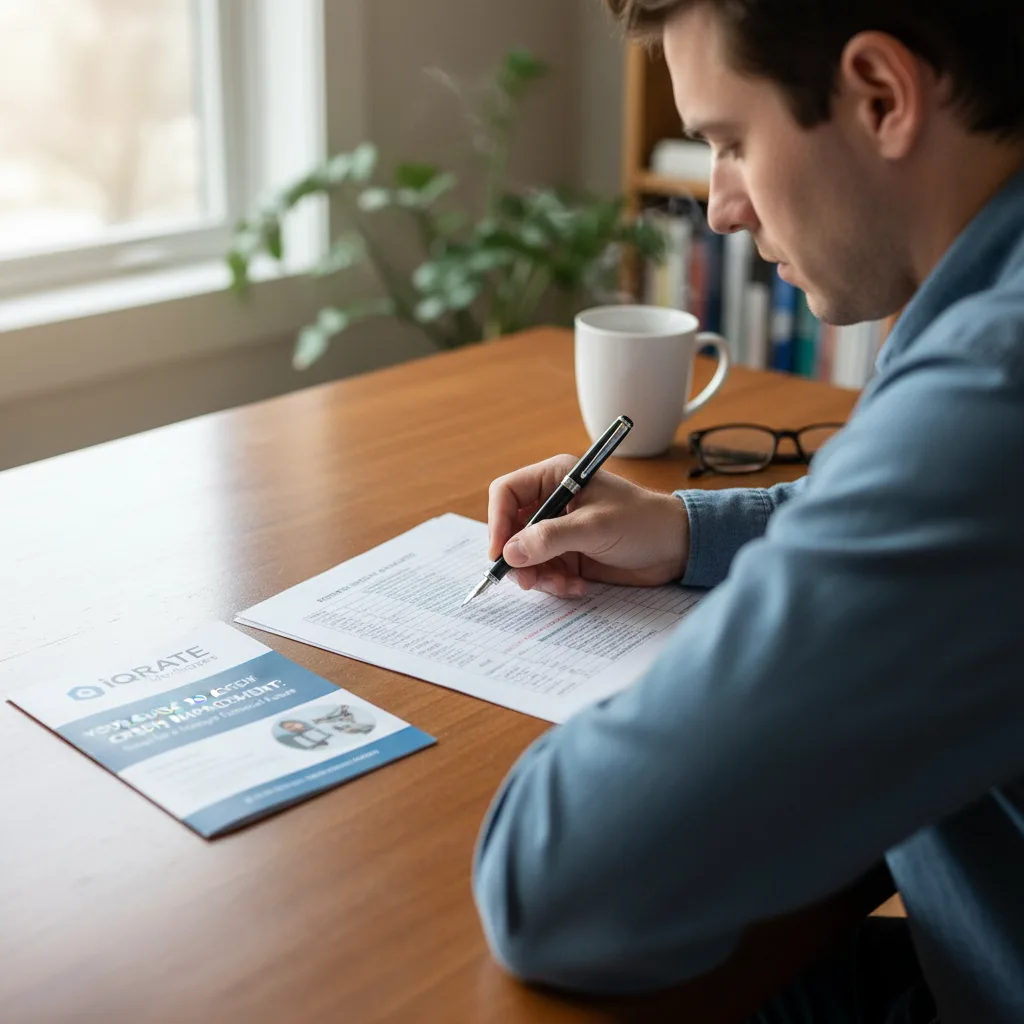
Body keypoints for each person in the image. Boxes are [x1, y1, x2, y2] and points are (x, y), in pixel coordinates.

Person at [471, 2, 1024, 1021]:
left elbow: (554, 879)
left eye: (729, 142)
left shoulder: (997, 389)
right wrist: (687, 530)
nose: (719, 207)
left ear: (879, 96)